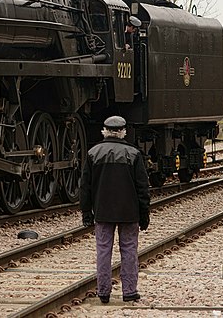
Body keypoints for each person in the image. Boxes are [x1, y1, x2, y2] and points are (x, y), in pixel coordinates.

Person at [80, 115, 150, 304]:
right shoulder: (133, 154)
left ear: (104, 131)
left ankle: (103, 292)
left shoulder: (93, 153)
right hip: (129, 212)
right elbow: (142, 188)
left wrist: (86, 212)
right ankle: (129, 291)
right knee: (129, 250)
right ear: (123, 132)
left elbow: (85, 186)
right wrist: (144, 215)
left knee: (103, 250)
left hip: (103, 212)